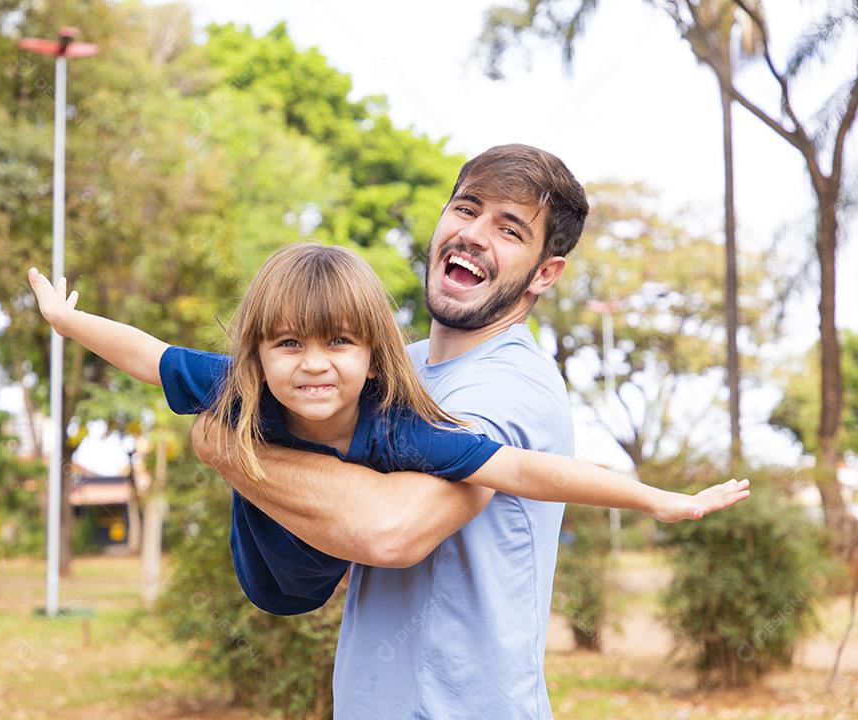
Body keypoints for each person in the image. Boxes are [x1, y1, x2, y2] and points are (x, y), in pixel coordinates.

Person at [187, 144, 704, 719]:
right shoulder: (385, 376)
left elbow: (389, 531)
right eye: (466, 209)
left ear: (545, 273)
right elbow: (337, 538)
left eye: (510, 229)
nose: (475, 235)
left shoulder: (508, 387)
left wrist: (231, 447)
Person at [28, 237, 749, 619]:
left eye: (338, 344)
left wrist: (654, 497)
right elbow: (146, 354)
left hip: (333, 563)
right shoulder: (240, 387)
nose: (314, 366)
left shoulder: (403, 430)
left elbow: (524, 469)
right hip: (265, 573)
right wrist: (65, 320)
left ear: (376, 355)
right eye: (288, 345)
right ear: (255, 353)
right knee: (220, 422)